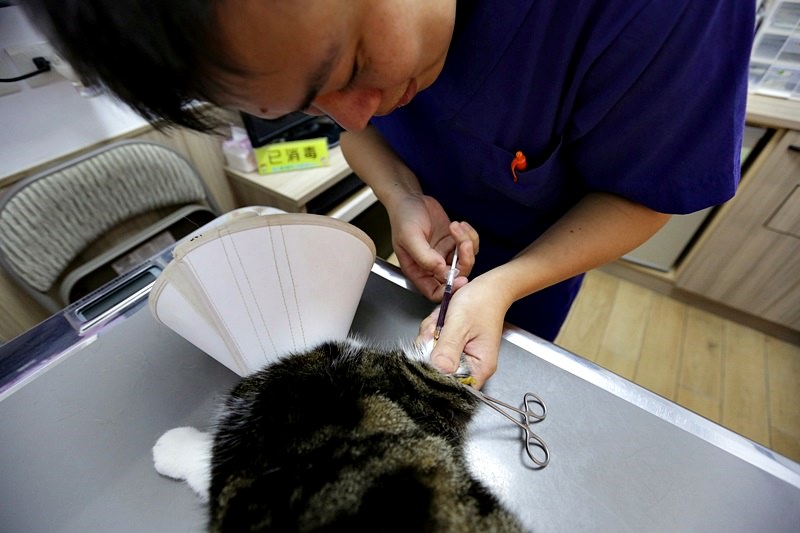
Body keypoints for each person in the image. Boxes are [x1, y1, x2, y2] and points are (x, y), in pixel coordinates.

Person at [24, 0, 754, 388]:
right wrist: (400, 193)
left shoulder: (663, 10)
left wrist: (503, 288)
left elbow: (645, 191)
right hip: (424, 241)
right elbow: (359, 129)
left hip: (542, 251)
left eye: (354, 64)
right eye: (313, 104)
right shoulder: (330, 64)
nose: (354, 114)